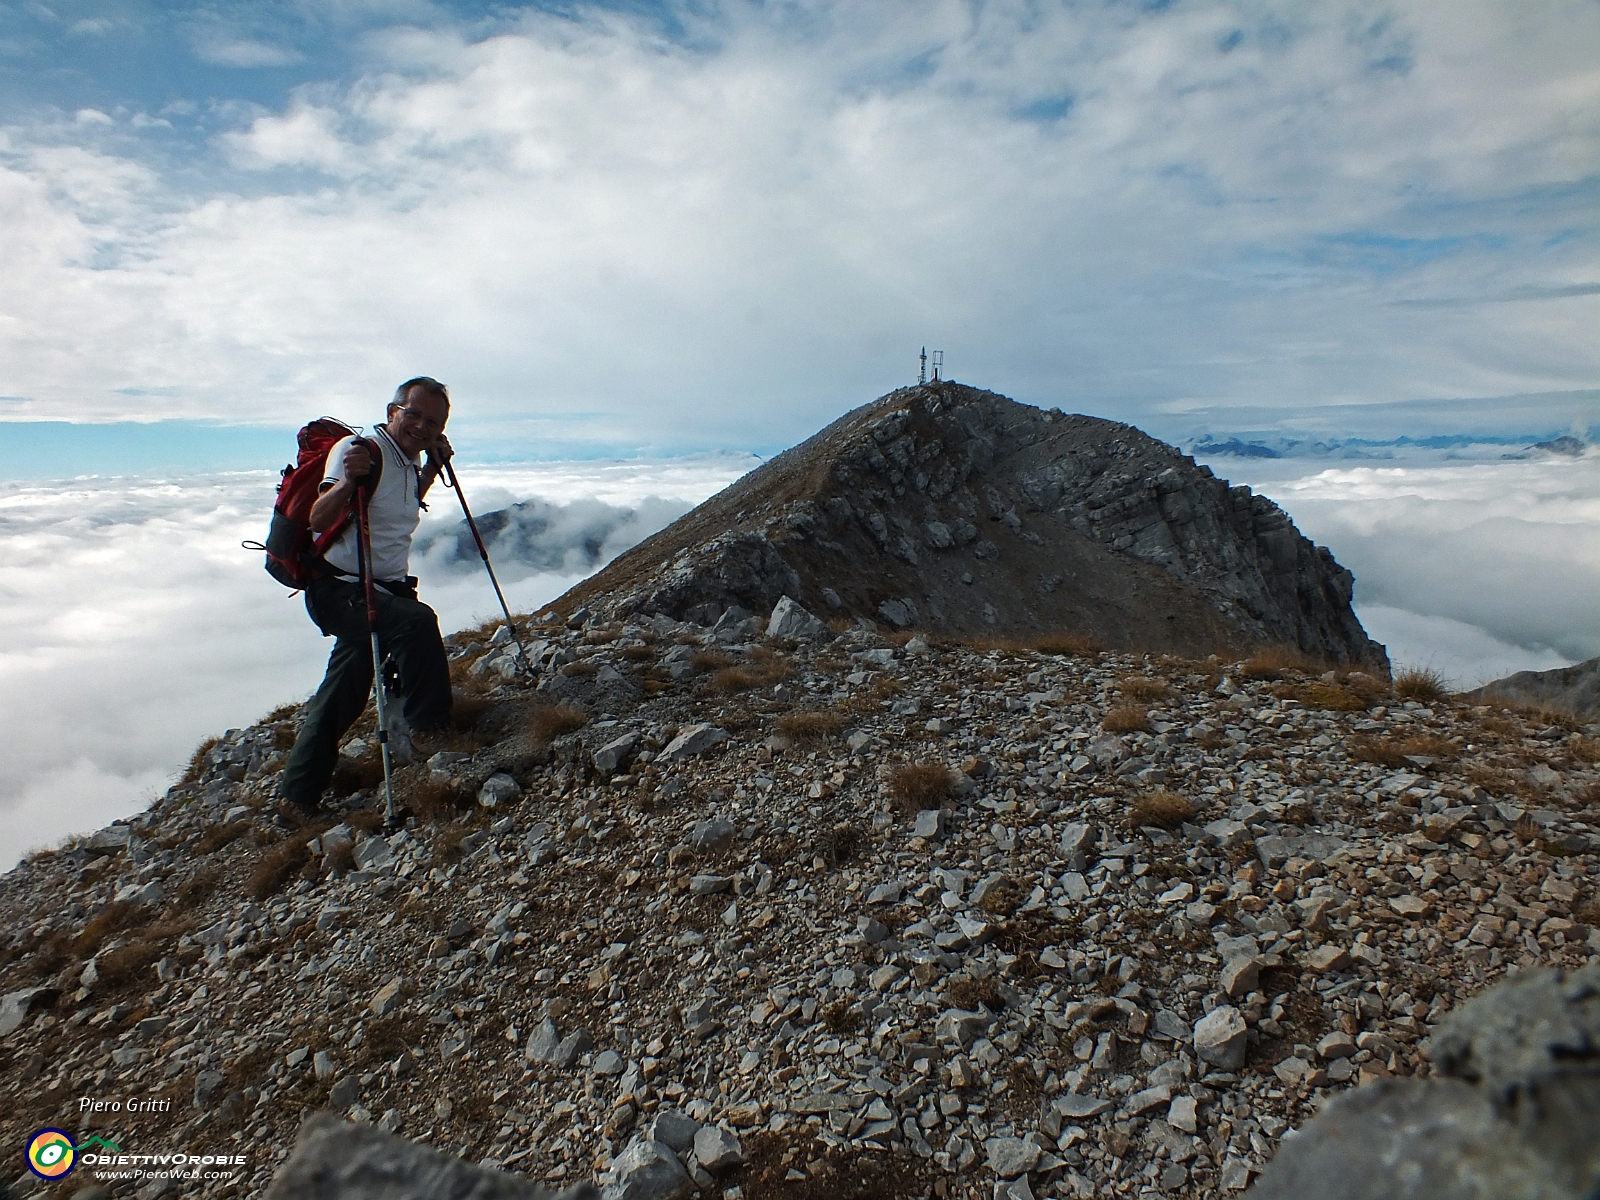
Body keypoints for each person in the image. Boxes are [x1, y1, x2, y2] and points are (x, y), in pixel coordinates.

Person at [277, 377, 455, 822]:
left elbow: (399, 506)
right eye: (413, 414)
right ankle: (428, 731)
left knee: (344, 690)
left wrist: (432, 469)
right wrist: (346, 481)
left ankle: (295, 798)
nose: (421, 425)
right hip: (341, 590)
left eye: (432, 421)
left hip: (379, 590)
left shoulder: (406, 460)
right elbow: (319, 517)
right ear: (392, 410)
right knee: (416, 623)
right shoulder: (360, 451)